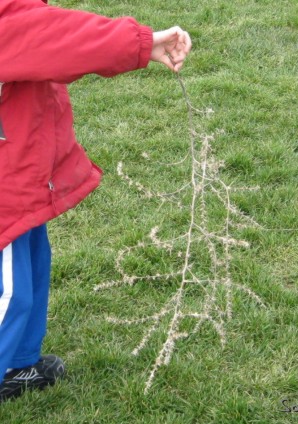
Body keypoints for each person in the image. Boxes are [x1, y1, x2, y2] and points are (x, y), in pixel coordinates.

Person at [0, 0, 191, 402]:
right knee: (10, 291)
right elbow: (62, 37)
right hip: (6, 192)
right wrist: (143, 43)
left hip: (19, 181)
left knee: (30, 270)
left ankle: (16, 364)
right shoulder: (8, 21)